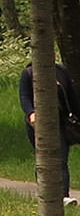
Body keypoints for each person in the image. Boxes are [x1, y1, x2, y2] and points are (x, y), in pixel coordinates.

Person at [18, 61, 80, 206]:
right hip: (37, 124)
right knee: (44, 159)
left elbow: (72, 99)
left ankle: (63, 196)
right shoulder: (29, 73)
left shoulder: (61, 71)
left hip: (60, 123)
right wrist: (31, 113)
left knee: (61, 158)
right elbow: (24, 97)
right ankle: (45, 194)